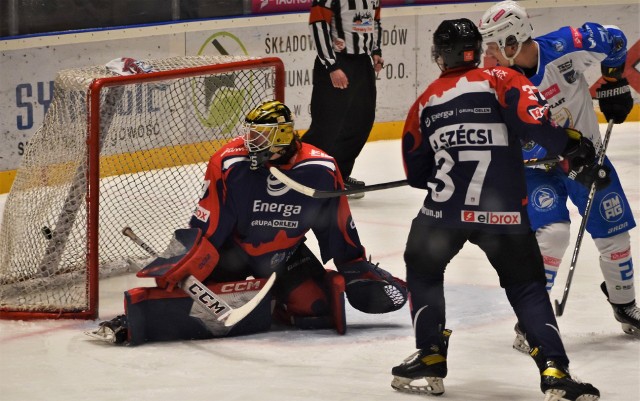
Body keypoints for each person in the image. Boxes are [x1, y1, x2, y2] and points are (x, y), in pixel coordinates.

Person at [390, 18, 600, 400]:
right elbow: (539, 125)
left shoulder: (425, 101)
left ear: (440, 56)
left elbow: (416, 171)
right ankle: (555, 370)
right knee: (527, 286)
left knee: (422, 267)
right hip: (502, 211)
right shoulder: (503, 78)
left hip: (443, 213)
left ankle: (431, 353)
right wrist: (573, 146)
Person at [90, 100, 407, 345]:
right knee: (191, 307)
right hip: (233, 254)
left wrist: (353, 265)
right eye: (250, 134)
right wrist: (181, 262)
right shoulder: (229, 163)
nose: (250, 142)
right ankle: (131, 319)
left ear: (282, 135)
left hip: (286, 256)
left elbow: (337, 224)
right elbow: (207, 224)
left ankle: (272, 303)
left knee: (316, 309)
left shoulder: (320, 168)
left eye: (261, 136)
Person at [478, 0, 639, 346]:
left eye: (492, 44)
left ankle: (624, 304)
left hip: (587, 161)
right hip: (535, 172)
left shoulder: (568, 45)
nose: (487, 53)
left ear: (513, 40)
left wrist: (613, 82)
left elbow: (615, 38)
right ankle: (532, 319)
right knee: (553, 235)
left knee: (615, 237)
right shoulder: (493, 83)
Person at [302, 0, 385, 199]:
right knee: (327, 126)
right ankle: (301, 174)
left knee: (361, 122)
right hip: (337, 63)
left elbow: (375, 21)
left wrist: (375, 51)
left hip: (362, 63)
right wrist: (331, 65)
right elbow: (319, 25)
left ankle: (339, 175)